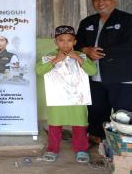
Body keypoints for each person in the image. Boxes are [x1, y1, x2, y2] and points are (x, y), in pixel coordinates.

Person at [75, 0, 132, 143]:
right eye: (97, 0)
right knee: (97, 110)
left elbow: (130, 46)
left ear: (115, 1)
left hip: (122, 75)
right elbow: (77, 43)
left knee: (125, 113)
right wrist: (85, 49)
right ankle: (98, 140)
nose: (100, 3)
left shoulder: (130, 20)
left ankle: (128, 142)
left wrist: (97, 52)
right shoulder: (87, 22)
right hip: (94, 74)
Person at [36, 25, 97, 163]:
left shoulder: (82, 56)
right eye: (61, 40)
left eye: (69, 40)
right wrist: (56, 59)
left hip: (77, 98)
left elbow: (92, 71)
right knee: (55, 124)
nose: (65, 43)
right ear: (56, 42)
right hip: (57, 98)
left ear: (75, 42)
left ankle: (81, 149)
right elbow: (39, 71)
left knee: (80, 124)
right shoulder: (49, 57)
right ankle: (52, 149)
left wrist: (78, 58)